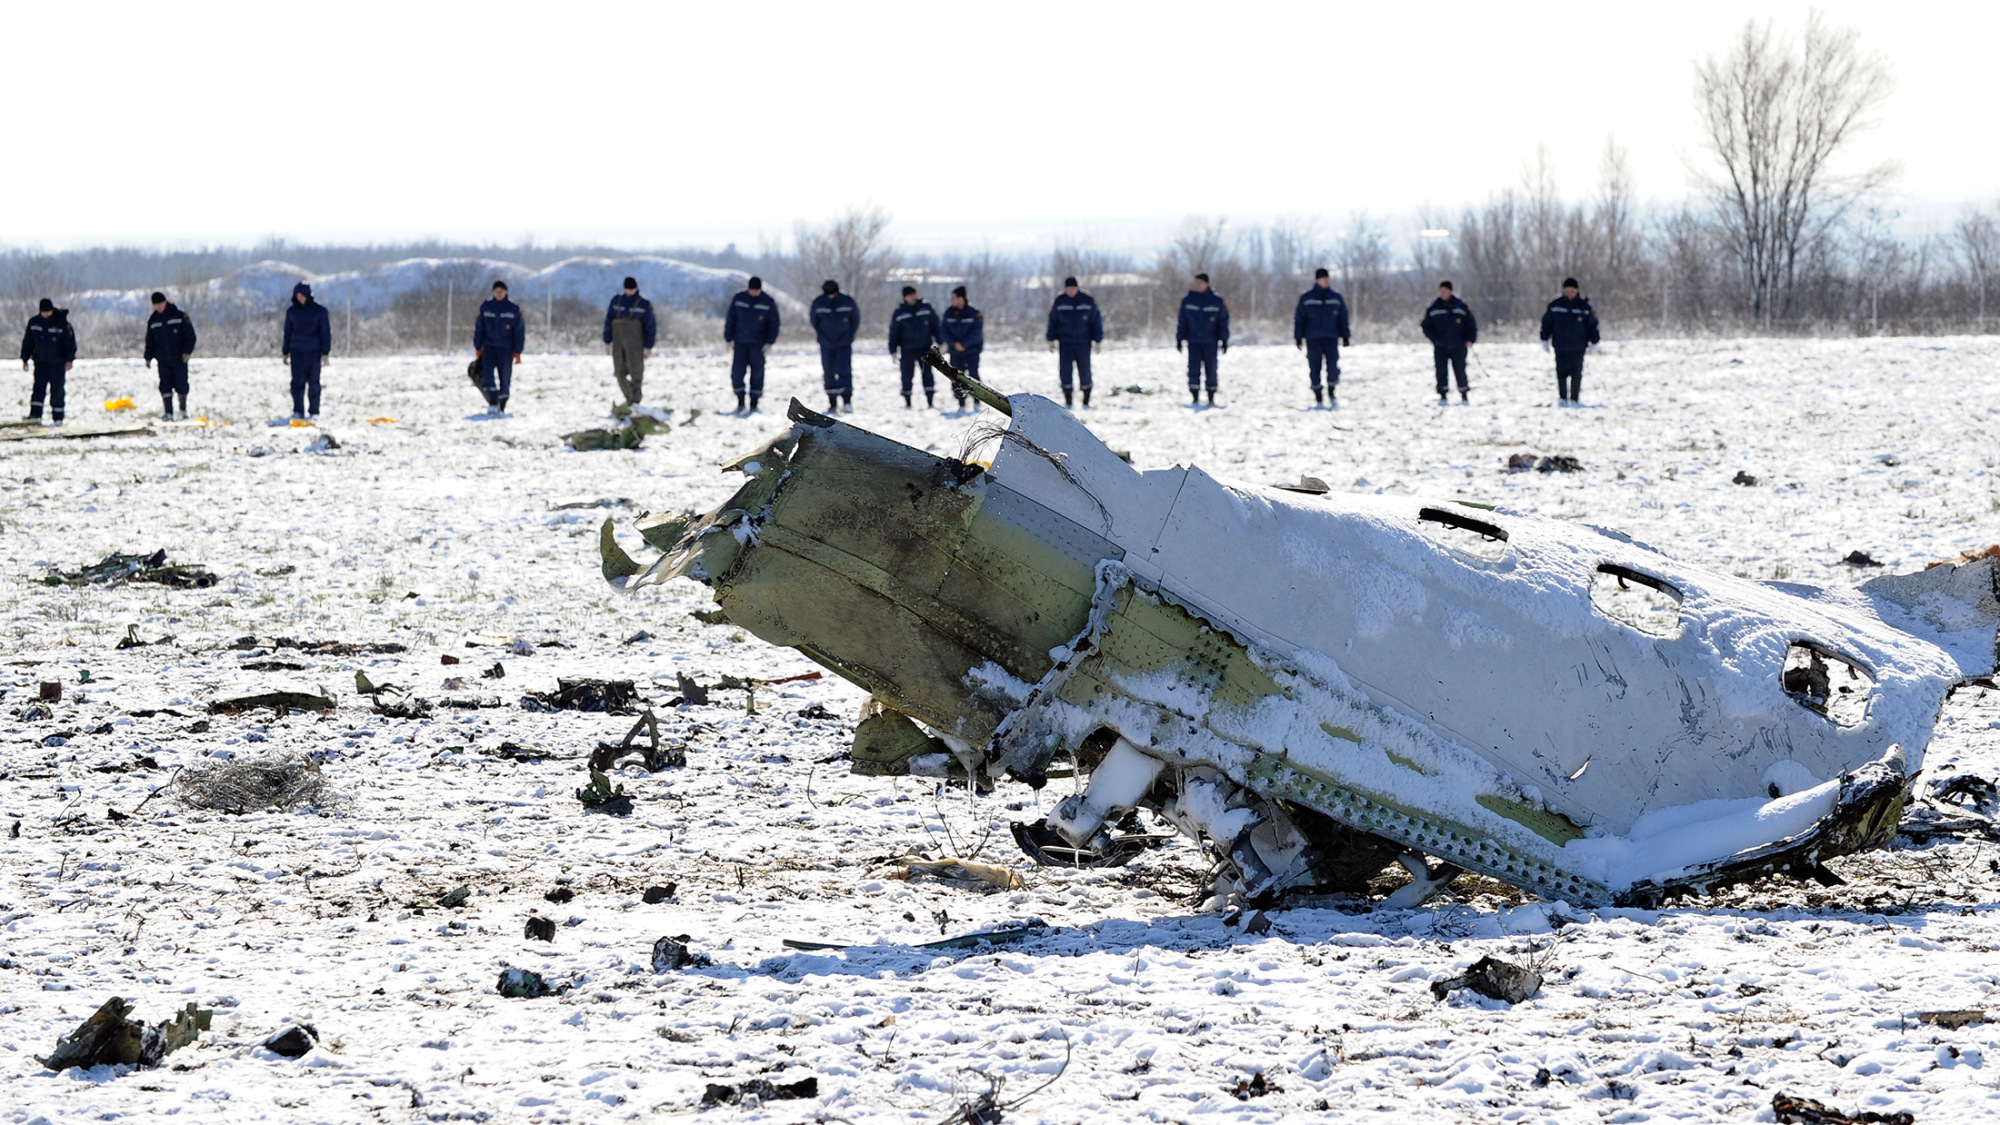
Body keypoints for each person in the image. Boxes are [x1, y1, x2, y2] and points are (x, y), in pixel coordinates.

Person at [1293, 268, 1350, 407]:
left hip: (1331, 338)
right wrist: (1298, 337)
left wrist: (1346, 336)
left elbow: (1343, 318)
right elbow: (1299, 319)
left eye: (1327, 278)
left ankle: (1331, 391)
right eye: (1323, 278)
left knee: (1333, 367)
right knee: (1314, 368)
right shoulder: (1306, 298)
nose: (1326, 280)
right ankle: (1318, 396)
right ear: (1317, 280)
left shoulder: (1336, 298)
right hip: (1313, 339)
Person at [1539, 277, 1600, 406]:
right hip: (1561, 346)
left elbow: (1592, 325)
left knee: (1576, 374)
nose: (1569, 293)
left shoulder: (1584, 307)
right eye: (1567, 291)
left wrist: (1595, 341)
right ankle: (1562, 399)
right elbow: (1547, 323)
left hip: (1578, 347)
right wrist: (1544, 338)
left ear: (1577, 291)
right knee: (1561, 373)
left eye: (1572, 291)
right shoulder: (1555, 306)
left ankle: (1574, 399)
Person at [722, 275, 779, 412]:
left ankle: (754, 404)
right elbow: (731, 319)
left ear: (760, 289)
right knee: (737, 373)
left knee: (757, 374)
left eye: (756, 290)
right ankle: (740, 401)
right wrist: (728, 338)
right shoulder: (739, 299)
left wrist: (769, 343)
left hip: (758, 346)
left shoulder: (768, 301)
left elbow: (774, 323)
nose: (754, 293)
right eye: (751, 290)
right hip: (740, 343)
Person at [1044, 276, 1102, 407]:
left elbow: (1096, 322)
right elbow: (1052, 321)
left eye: (1073, 288)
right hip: (1065, 343)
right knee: (1065, 371)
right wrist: (1050, 339)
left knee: (1085, 370)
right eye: (1068, 288)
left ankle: (1086, 399)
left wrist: (1098, 340)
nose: (1071, 291)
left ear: (1077, 288)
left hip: (1084, 343)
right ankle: (1068, 398)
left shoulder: (1087, 301)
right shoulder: (1060, 302)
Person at [18, 298, 76, 424]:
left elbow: (70, 344)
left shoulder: (62, 323)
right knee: (38, 390)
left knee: (57, 391)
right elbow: (28, 342)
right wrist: (25, 359)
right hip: (40, 363)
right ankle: (35, 416)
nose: (46, 314)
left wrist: (69, 360)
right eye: (44, 312)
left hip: (57, 364)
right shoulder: (34, 323)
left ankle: (58, 418)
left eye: (48, 312)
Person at [280, 282, 332, 421]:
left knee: (314, 384)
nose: (300, 298)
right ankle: (298, 411)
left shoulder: (320, 311)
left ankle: (314, 412)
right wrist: (285, 351)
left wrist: (325, 352)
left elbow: (325, 332)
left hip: (314, 353)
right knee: (297, 383)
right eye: (298, 296)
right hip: (296, 352)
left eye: (302, 295)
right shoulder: (291, 312)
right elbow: (287, 332)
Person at [1176, 273, 1230, 406]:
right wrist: (1179, 339)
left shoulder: (1216, 301)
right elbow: (1182, 321)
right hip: (1193, 341)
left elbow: (1223, 322)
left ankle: (1211, 397)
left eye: (1201, 282)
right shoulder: (1188, 300)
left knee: (1211, 369)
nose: (1198, 285)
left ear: (1207, 284)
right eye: (1196, 282)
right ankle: (1194, 396)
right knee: (1193, 369)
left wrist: (1224, 339)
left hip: (1210, 342)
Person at [1420, 281, 1477, 405]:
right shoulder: (1434, 308)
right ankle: (1443, 395)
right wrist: (1434, 339)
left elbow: (1471, 324)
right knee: (1441, 371)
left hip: (1458, 345)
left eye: (1445, 291)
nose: (1443, 293)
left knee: (1460, 369)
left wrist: (1470, 339)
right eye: (1441, 291)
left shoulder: (1461, 307)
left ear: (1450, 291)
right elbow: (1426, 325)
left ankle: (1464, 394)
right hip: (1441, 346)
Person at [602, 276, 657, 405]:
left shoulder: (644, 304)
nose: (629, 292)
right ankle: (630, 397)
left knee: (636, 374)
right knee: (619, 373)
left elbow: (651, 327)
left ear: (636, 288)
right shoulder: (616, 301)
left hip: (636, 345)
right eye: (627, 289)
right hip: (618, 344)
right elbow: (608, 322)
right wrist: (606, 341)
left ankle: (635, 402)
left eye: (631, 289)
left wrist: (649, 347)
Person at [472, 279, 525, 414]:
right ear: (493, 292)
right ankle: (493, 401)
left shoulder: (513, 309)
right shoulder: (486, 307)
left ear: (506, 292)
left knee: (505, 377)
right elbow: (479, 328)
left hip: (506, 349)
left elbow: (519, 331)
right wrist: (478, 347)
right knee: (487, 377)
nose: (499, 294)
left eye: (501, 291)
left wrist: (518, 351)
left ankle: (502, 405)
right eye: (496, 291)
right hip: (489, 348)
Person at [144, 292, 198, 421]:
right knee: (165, 386)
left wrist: (187, 352)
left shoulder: (179, 316)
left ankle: (183, 410)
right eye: (156, 305)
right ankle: (168, 412)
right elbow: (149, 341)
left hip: (179, 359)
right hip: (162, 360)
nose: (159, 307)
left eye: (160, 304)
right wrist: (148, 356)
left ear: (165, 302)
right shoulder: (153, 320)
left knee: (182, 385)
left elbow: (191, 336)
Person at [887, 286, 941, 408]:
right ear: (905, 297)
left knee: (927, 375)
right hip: (907, 350)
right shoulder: (899, 312)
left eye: (914, 294)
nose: (913, 297)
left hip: (925, 348)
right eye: (910, 295)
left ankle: (930, 401)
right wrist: (893, 350)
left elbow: (936, 326)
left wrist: (940, 342)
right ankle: (908, 401)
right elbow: (894, 333)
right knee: (906, 376)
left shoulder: (926, 308)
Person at [810, 279, 859, 412]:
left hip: (844, 343)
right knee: (828, 372)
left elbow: (855, 320)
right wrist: (823, 337)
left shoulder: (847, 301)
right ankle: (832, 402)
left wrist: (848, 337)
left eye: (833, 294)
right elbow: (814, 322)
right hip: (826, 344)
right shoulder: (818, 302)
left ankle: (847, 401)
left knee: (845, 371)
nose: (831, 296)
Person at [940, 285, 984, 410]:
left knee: (973, 376)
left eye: (953, 297)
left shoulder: (974, 313)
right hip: (955, 352)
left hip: (971, 351)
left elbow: (977, 333)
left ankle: (977, 401)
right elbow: (944, 330)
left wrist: (964, 344)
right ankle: (961, 403)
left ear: (961, 298)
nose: (951, 300)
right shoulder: (949, 313)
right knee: (956, 378)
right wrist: (954, 344)